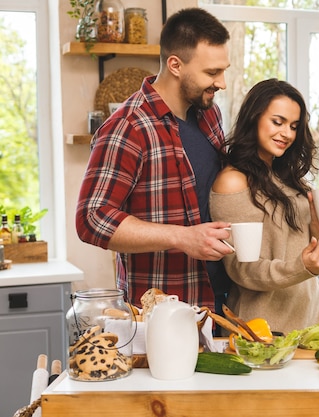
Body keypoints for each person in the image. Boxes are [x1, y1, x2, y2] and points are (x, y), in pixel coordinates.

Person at [75, 8, 235, 314]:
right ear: (175, 65)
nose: (222, 83)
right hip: (163, 313)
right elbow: (91, 219)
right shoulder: (128, 126)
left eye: (223, 70)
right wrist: (181, 237)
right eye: (212, 73)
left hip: (220, 303)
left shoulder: (209, 114)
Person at [209, 78, 319, 334]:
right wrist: (301, 267)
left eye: (294, 126)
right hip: (263, 329)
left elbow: (303, 244)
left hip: (311, 319)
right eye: (277, 122)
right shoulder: (233, 181)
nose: (287, 134)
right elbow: (241, 269)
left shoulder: (288, 177)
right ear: (254, 118)